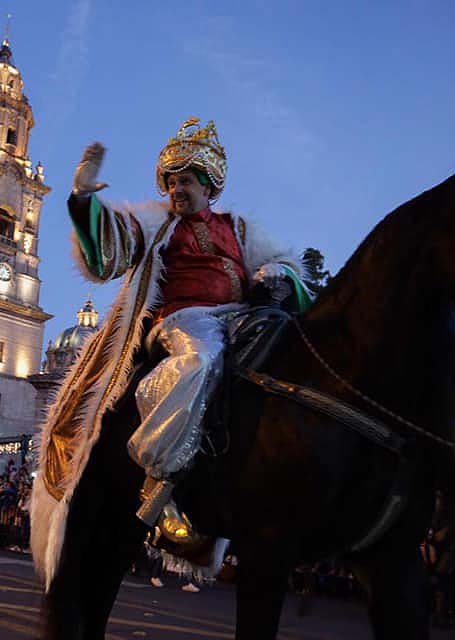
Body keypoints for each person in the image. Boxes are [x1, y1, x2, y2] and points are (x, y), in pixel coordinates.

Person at [36, 118, 311, 549]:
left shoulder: (238, 228)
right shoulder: (154, 224)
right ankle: (157, 477)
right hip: (184, 320)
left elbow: (287, 269)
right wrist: (84, 200)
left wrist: (279, 272)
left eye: (185, 181)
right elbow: (109, 250)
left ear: (207, 187)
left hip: (240, 318)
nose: (175, 190)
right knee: (199, 360)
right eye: (171, 182)